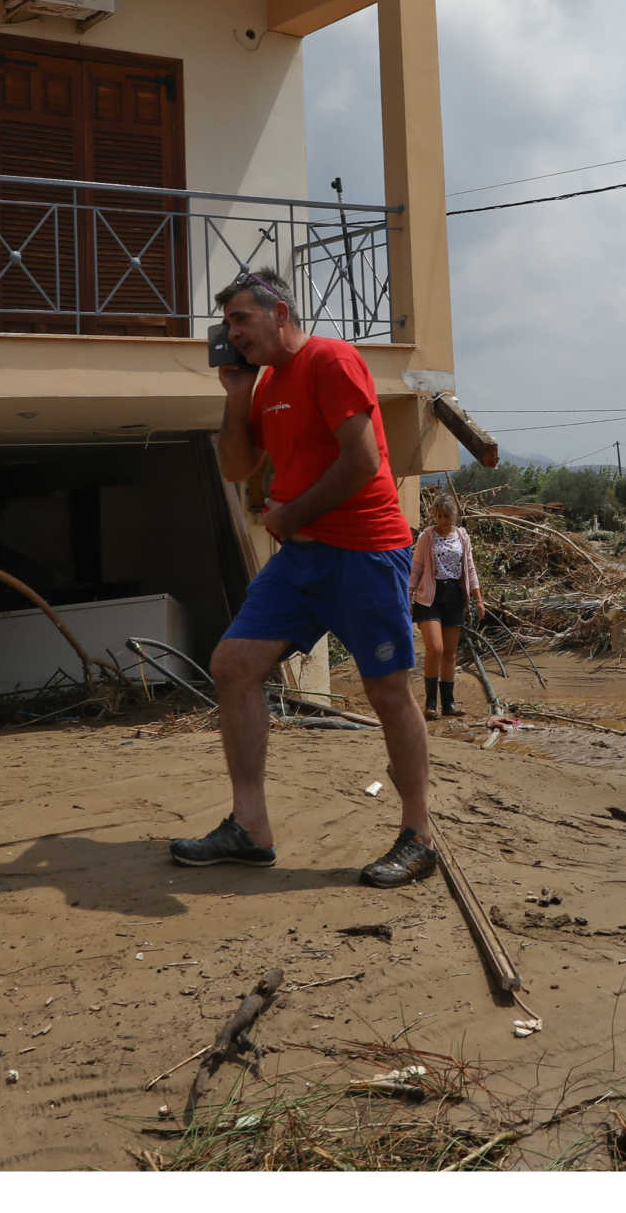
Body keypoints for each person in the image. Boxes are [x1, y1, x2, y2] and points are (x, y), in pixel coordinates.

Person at [171, 268, 439, 888]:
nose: (232, 334)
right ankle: (250, 828)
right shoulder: (263, 386)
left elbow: (364, 459)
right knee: (234, 665)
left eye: (241, 319)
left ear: (280, 312)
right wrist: (236, 395)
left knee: (387, 692)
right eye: (228, 323)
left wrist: (291, 512)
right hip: (302, 560)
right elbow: (238, 465)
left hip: (366, 554)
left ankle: (418, 835)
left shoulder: (331, 360)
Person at [409, 494, 484, 718]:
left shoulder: (462, 536)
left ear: (454, 515)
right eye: (439, 516)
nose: (443, 520)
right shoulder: (426, 537)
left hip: (454, 596)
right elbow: (417, 567)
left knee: (450, 654)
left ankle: (448, 704)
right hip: (429, 597)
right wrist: (408, 596)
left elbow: (469, 568)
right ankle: (431, 704)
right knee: (436, 649)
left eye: (447, 515)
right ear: (435, 516)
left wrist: (478, 598)